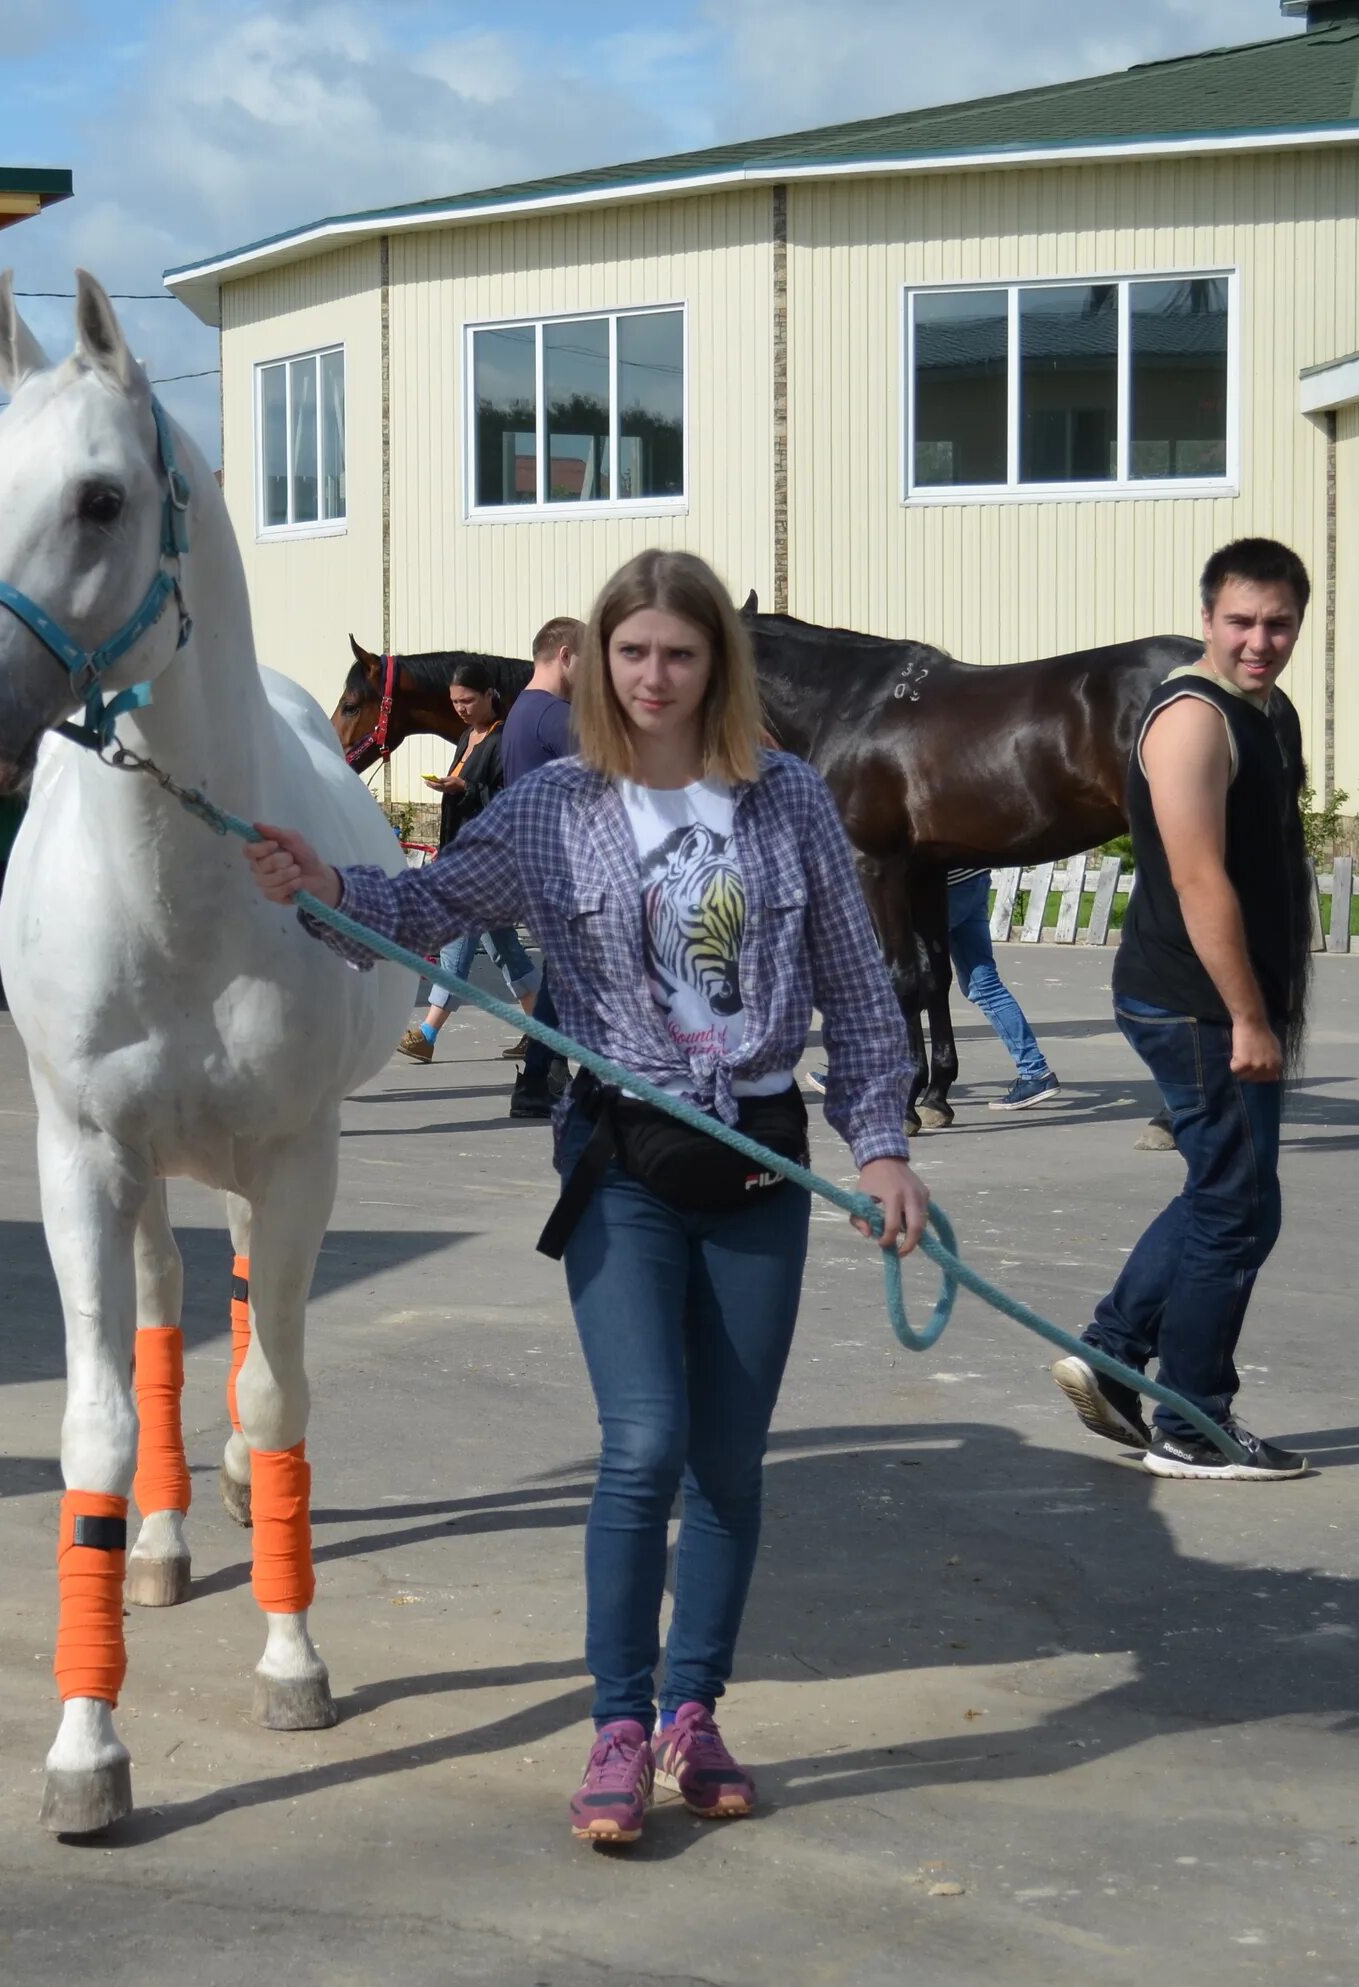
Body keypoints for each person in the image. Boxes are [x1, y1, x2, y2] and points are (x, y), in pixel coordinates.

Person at [243, 550, 925, 1847]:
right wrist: (330, 890)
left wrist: (880, 1141)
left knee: (729, 1461)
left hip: (762, 1164)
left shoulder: (785, 799)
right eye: (634, 653)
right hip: (624, 1167)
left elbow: (856, 975)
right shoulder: (557, 804)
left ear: (717, 660)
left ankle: (693, 1709)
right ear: (601, 663)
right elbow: (427, 902)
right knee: (645, 1442)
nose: (656, 676)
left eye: (681, 652)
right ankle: (618, 1721)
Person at [1049, 540, 1317, 1481]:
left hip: (1222, 998)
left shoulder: (1267, 710)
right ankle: (1191, 1415)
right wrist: (1249, 1016)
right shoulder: (1195, 721)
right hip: (1197, 1002)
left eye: (1278, 622)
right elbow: (1200, 879)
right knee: (1237, 1208)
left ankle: (1116, 1357)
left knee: (1227, 1194)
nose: (1259, 640)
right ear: (1207, 617)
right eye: (1241, 621)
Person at [399, 678, 542, 1062]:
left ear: (488, 696)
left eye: (467, 700)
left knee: (456, 941)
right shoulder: (467, 737)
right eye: (455, 701)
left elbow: (510, 798)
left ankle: (427, 1032)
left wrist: (467, 787)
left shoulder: (503, 741)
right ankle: (543, 1032)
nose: (460, 708)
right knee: (506, 951)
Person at [499, 616, 585, 1117]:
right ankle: (539, 1078)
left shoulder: (520, 712)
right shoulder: (554, 716)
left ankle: (545, 1076)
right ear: (566, 655)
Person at [945, 865, 1061, 1108]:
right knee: (983, 984)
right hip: (974, 876)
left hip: (946, 884)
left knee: (900, 979)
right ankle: (1035, 1070)